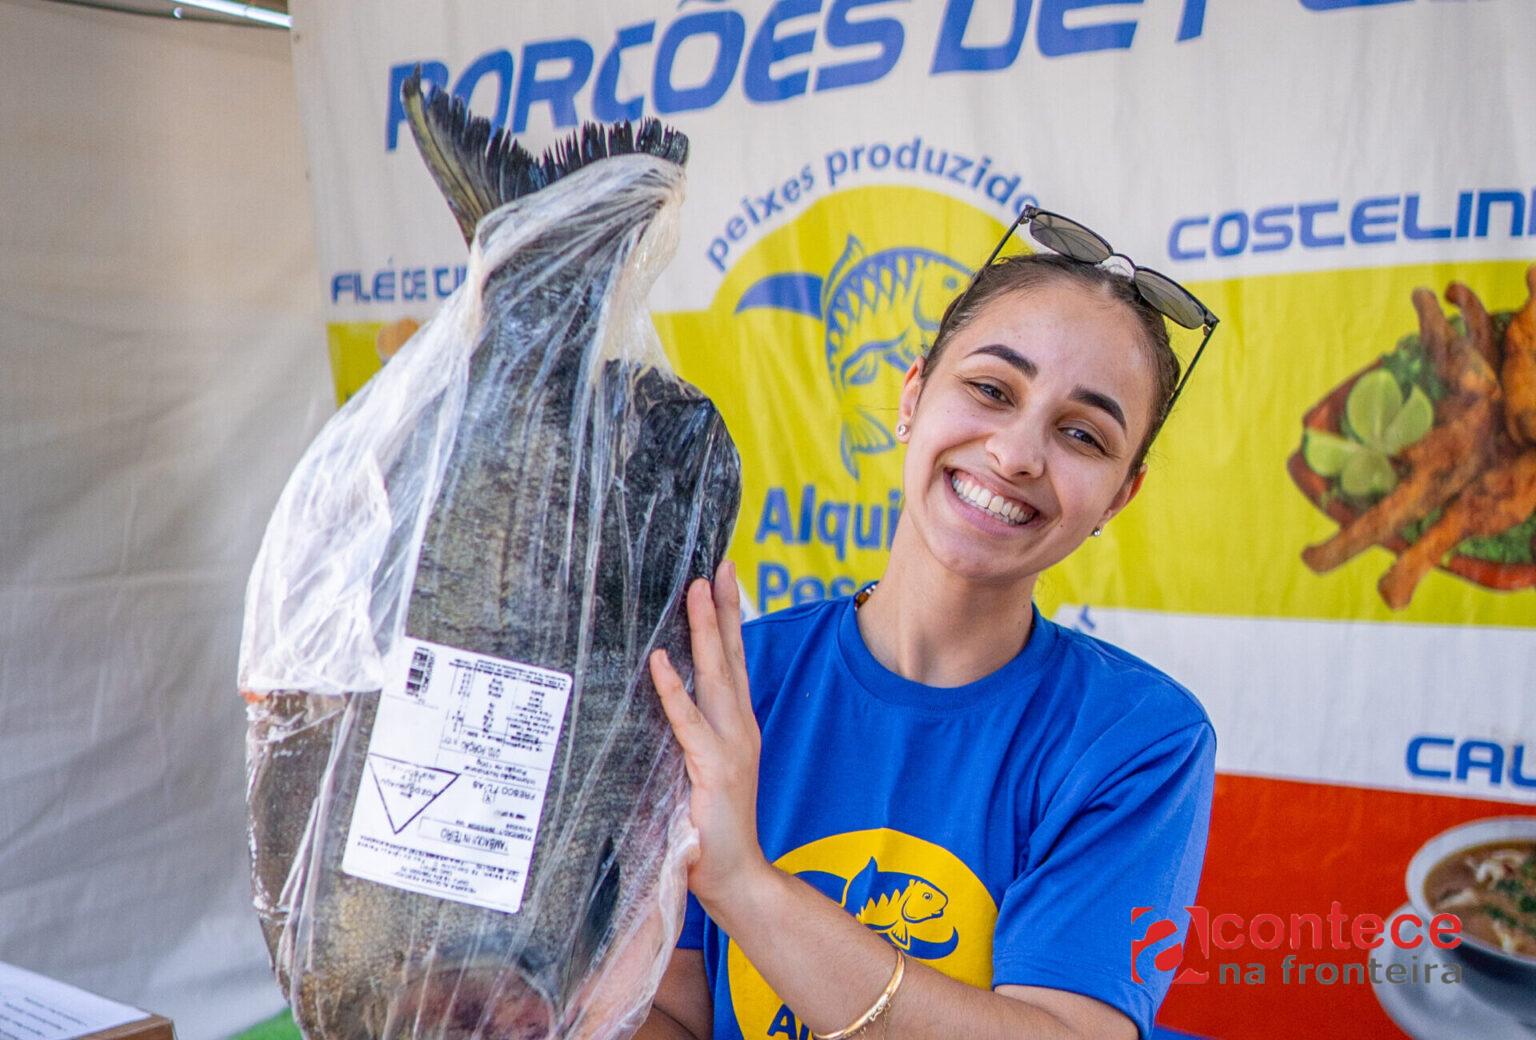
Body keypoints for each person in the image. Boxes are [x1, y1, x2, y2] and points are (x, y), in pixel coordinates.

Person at [638, 210, 1219, 1040]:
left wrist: (743, 885)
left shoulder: (1137, 737)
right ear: (912, 397)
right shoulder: (732, 680)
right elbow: (675, 1011)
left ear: (1118, 497)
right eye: (991, 390)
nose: (1017, 454)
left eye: (1083, 433)